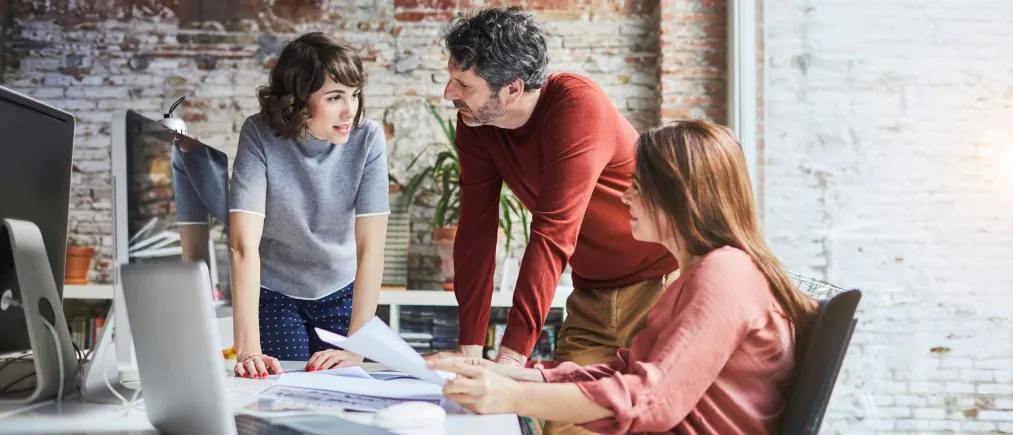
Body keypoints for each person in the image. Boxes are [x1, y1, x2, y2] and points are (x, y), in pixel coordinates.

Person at [428, 121, 820, 435]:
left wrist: (513, 397)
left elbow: (650, 399)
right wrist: (502, 373)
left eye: (639, 185)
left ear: (679, 196)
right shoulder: (700, 275)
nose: (625, 196)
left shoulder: (724, 275)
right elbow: (623, 371)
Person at [428, 6, 678, 376]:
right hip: (592, 297)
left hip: (661, 285)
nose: (449, 93)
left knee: (651, 407)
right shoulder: (475, 124)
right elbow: (477, 232)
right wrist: (469, 350)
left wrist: (511, 359)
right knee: (562, 411)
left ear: (512, 89)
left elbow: (552, 232)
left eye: (464, 85)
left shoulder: (576, 104)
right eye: (452, 79)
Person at [229, 32, 389, 378]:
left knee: (342, 386)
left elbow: (372, 248)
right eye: (334, 97)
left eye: (354, 95)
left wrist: (357, 347)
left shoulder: (368, 138)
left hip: (342, 290)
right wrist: (248, 350)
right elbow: (243, 246)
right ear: (300, 99)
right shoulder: (259, 134)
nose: (350, 111)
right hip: (276, 293)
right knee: (282, 387)